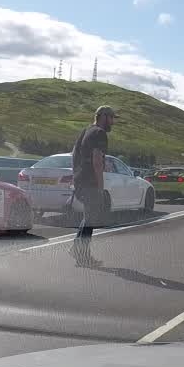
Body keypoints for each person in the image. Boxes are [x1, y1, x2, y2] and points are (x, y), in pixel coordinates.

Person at [70, 105, 115, 267]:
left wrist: (76, 177)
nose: (112, 121)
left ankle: (78, 249)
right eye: (111, 118)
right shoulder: (100, 133)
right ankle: (82, 256)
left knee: (88, 217)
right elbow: (97, 161)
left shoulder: (86, 131)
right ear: (103, 116)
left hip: (80, 180)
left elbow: (74, 155)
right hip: (90, 183)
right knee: (90, 219)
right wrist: (100, 188)